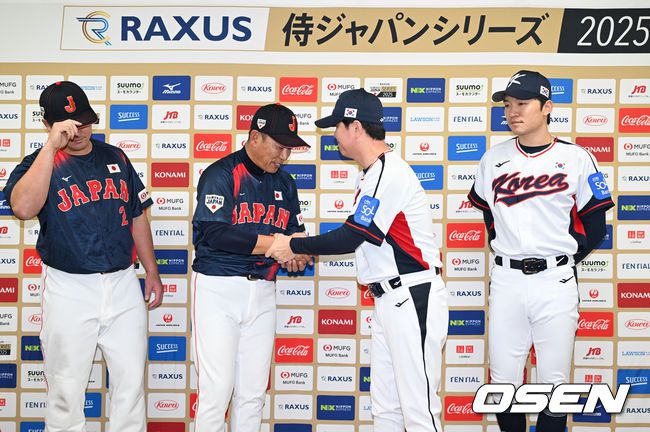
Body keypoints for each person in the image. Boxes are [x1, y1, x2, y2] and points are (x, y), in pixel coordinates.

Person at [267, 89, 448, 432]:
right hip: (389, 299)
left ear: (355, 127)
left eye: (336, 126)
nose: (333, 135)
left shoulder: (389, 172)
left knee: (419, 411)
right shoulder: (370, 173)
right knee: (386, 409)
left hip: (413, 295)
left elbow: (352, 235)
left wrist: (292, 244)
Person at [3, 81, 163, 432]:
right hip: (69, 287)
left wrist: (151, 270)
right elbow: (23, 208)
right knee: (66, 391)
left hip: (122, 282)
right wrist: (50, 147)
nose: (77, 132)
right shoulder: (37, 164)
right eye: (67, 125)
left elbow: (137, 215)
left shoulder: (115, 156)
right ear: (48, 125)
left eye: (84, 122)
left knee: (130, 386)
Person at [467, 70, 614, 432]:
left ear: (547, 107)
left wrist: (558, 262)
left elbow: (595, 228)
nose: (512, 112)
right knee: (503, 383)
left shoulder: (577, 158)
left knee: (554, 385)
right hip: (507, 279)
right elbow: (490, 219)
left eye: (522, 103)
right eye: (507, 105)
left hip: (555, 280)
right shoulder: (493, 158)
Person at [191, 103, 311, 432]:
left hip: (263, 289)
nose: (284, 155)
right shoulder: (221, 174)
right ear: (255, 137)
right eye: (279, 146)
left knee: (253, 394)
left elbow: (294, 234)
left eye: (289, 148)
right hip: (219, 288)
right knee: (216, 392)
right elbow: (215, 233)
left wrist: (297, 252)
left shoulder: (285, 183)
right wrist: (275, 245)